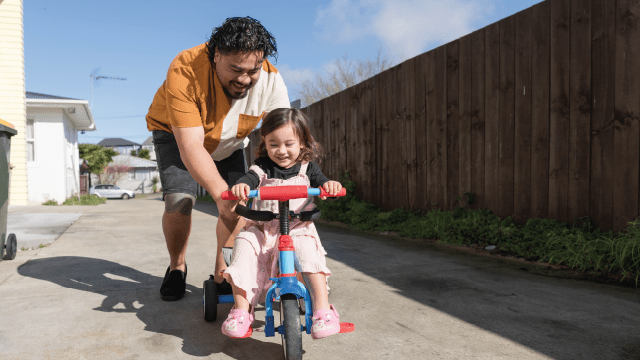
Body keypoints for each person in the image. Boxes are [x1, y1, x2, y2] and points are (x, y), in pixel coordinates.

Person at [145, 17, 291, 302]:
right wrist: (219, 194)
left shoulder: (272, 81)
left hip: (230, 143)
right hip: (177, 136)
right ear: (216, 56)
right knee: (180, 200)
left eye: (253, 71)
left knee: (238, 206)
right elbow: (191, 145)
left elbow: (286, 139)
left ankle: (222, 274)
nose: (244, 79)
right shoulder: (186, 69)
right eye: (236, 69)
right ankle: (177, 267)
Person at [220, 108, 343, 340]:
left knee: (308, 251)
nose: (282, 151)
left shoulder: (310, 170)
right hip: (262, 229)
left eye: (289, 143)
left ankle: (322, 309)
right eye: (273, 144)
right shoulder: (261, 167)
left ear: (303, 144)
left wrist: (330, 187)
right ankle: (240, 310)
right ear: (264, 143)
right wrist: (241, 186)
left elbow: (325, 184)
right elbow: (249, 178)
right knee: (244, 244)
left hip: (298, 227)